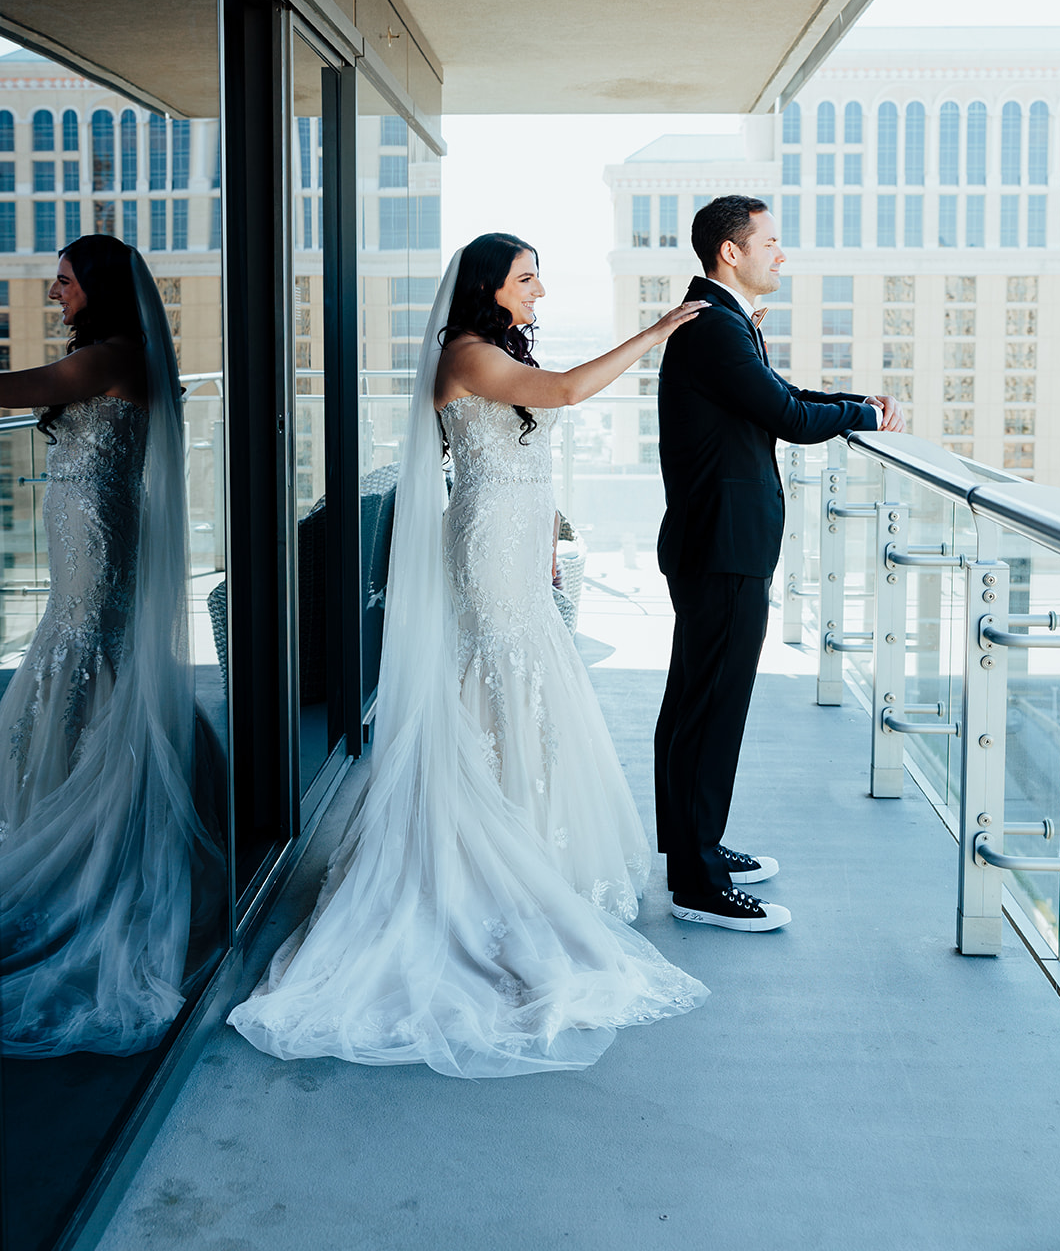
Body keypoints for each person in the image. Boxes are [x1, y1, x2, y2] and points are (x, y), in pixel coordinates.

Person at [228, 234, 709, 1078]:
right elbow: (562, 392)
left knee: (523, 678)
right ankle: (492, 857)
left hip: (519, 540)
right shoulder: (465, 352)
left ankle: (534, 845)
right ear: (487, 288)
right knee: (501, 673)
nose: (540, 291)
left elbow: (529, 446)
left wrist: (551, 537)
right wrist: (658, 329)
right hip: (485, 543)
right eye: (527, 278)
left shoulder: (493, 350)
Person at [655, 196, 904, 933]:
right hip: (722, 547)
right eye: (770, 241)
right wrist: (861, 416)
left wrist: (854, 401)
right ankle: (696, 883)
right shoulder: (712, 327)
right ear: (730, 252)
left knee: (697, 708)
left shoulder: (723, 321)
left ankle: (692, 849)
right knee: (708, 712)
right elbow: (791, 422)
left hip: (717, 543)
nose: (780, 254)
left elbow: (780, 398)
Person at [0, 235, 220, 1056]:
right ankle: (86, 795)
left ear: (99, 288)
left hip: (94, 528)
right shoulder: (110, 354)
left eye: (64, 281)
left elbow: (13, 390)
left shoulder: (110, 357)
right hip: (81, 523)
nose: (54, 291)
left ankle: (88, 817)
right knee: (92, 654)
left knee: (86, 650)